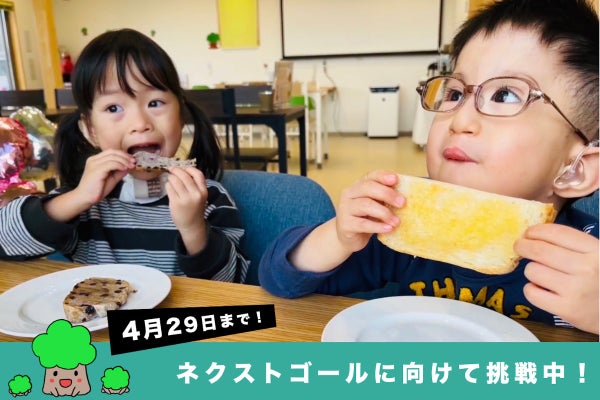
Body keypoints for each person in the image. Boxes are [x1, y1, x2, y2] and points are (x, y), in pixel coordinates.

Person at [259, 0, 599, 334]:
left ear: (577, 168)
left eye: (505, 95)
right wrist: (337, 236)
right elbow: (279, 280)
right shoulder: (403, 219)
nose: (460, 120)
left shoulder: (590, 260)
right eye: (454, 94)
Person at [0, 29, 249, 282]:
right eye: (113, 108)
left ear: (180, 116)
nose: (140, 123)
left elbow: (234, 283)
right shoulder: (84, 203)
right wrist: (77, 198)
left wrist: (193, 228)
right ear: (92, 129)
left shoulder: (208, 197)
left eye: (155, 103)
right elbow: (4, 241)